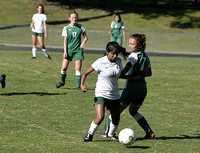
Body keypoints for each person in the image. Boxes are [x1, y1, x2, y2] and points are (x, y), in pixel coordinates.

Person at [99, 34, 155, 140]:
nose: (130, 46)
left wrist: (127, 76)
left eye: (132, 44)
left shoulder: (133, 56)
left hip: (131, 88)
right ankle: (149, 133)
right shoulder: (146, 57)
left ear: (140, 45)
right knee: (133, 111)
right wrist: (137, 76)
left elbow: (122, 72)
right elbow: (148, 73)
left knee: (116, 110)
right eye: (129, 43)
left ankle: (105, 132)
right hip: (142, 88)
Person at [81, 42, 130, 142]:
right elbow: (85, 73)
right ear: (107, 52)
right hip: (101, 93)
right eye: (113, 53)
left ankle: (111, 134)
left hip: (114, 94)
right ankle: (89, 136)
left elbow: (118, 75)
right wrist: (82, 85)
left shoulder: (119, 61)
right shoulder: (100, 62)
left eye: (116, 53)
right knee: (100, 117)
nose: (115, 56)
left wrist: (132, 77)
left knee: (116, 119)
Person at [56, 11, 88, 90]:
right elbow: (65, 41)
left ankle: (78, 86)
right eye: (73, 18)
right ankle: (62, 82)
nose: (74, 19)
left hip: (78, 50)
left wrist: (83, 43)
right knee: (63, 68)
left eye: (76, 17)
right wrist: (65, 52)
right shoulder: (66, 28)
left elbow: (86, 37)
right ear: (69, 18)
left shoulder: (81, 27)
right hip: (69, 50)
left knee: (77, 69)